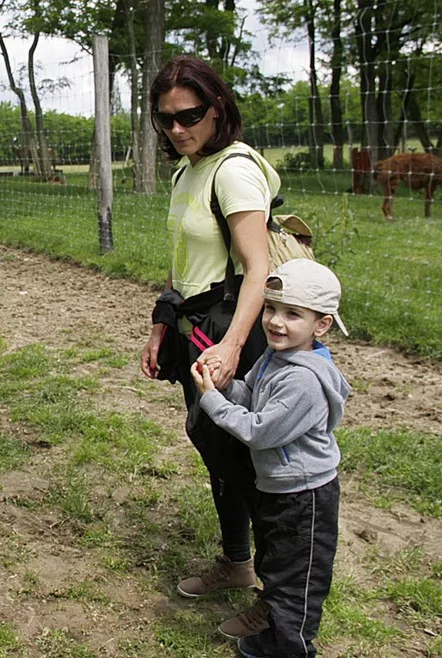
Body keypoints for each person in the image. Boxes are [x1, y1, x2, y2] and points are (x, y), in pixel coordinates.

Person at [139, 55, 279, 634]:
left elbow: (258, 267)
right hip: (192, 327)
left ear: (217, 107)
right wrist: (157, 326)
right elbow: (181, 266)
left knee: (249, 461)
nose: (177, 128)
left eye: (189, 115)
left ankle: (280, 598)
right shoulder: (188, 169)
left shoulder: (234, 171)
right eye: (165, 119)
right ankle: (237, 563)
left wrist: (231, 347)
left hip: (228, 332)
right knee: (215, 448)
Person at [191, 258, 351, 658]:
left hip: (305, 497)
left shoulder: (304, 380)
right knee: (277, 566)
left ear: (322, 324)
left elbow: (259, 432)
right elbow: (251, 394)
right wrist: (224, 385)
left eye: (292, 314)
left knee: (297, 583)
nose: (276, 322)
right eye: (271, 308)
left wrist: (210, 399)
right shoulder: (276, 358)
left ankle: (290, 648)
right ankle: (273, 633)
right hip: (279, 489)